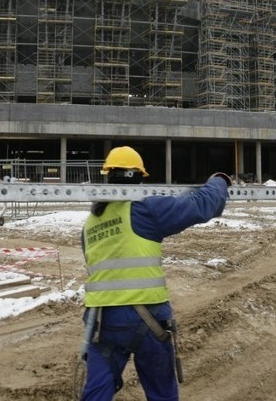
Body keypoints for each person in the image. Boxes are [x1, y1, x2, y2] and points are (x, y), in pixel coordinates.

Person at [79, 146, 231, 401]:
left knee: (96, 392)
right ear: (140, 178)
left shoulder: (90, 223)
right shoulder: (144, 210)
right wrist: (219, 182)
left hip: (103, 322)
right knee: (161, 393)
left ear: (108, 176)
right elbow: (199, 206)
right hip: (146, 318)